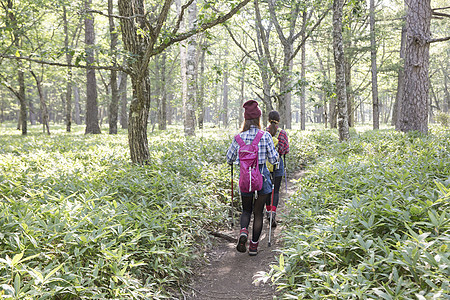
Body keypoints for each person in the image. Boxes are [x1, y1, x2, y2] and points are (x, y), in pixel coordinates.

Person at [226, 100, 279, 256]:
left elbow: (229, 159)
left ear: (246, 119)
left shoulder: (238, 138)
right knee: (259, 213)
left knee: (246, 210)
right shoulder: (266, 136)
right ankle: (254, 247)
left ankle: (243, 231)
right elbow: (274, 159)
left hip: (245, 180)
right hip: (262, 178)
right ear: (258, 119)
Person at [265, 110, 289, 228]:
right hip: (278, 165)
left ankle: (268, 211)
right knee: (276, 190)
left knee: (266, 190)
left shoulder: (264, 132)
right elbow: (285, 150)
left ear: (268, 119)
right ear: (278, 120)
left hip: (266, 166)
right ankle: (273, 212)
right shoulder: (283, 133)